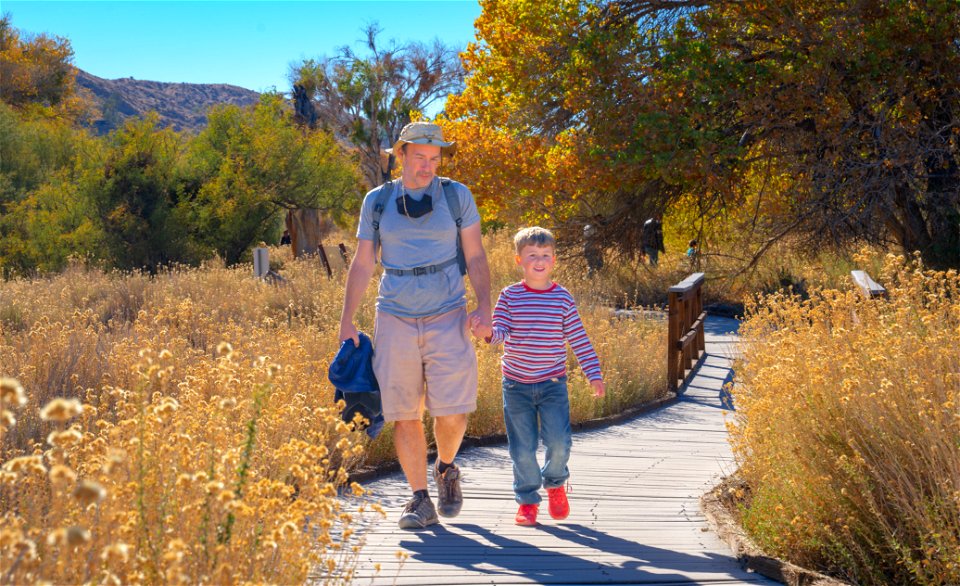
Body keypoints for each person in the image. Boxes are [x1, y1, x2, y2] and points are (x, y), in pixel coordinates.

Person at [338, 121, 492, 530]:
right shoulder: (378, 201)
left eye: (435, 158)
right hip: (395, 316)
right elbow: (364, 262)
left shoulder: (456, 197)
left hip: (448, 312)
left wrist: (485, 306)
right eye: (420, 157)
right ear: (401, 154)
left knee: (453, 413)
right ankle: (419, 499)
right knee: (404, 413)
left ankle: (445, 468)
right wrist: (347, 320)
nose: (428, 165)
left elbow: (475, 255)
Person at [473, 226, 605, 527]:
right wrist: (487, 333)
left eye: (545, 255)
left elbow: (578, 338)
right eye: (532, 255)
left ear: (554, 259)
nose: (539, 260)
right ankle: (528, 501)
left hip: (552, 384)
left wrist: (593, 374)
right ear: (519, 260)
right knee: (522, 448)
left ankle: (556, 483)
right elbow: (501, 332)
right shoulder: (510, 296)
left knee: (559, 442)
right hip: (516, 385)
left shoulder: (562, 298)